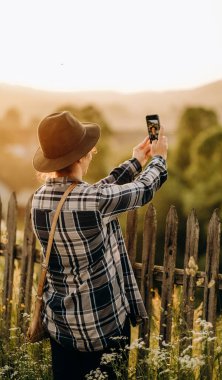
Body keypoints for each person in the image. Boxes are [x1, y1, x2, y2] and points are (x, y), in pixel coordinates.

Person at [31, 110, 168, 379]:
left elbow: (96, 194)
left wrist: (136, 161)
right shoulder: (94, 201)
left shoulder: (38, 200)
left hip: (62, 328)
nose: (92, 152)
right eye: (88, 148)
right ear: (80, 156)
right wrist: (159, 159)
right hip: (103, 328)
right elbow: (143, 190)